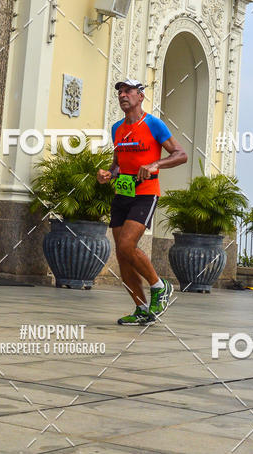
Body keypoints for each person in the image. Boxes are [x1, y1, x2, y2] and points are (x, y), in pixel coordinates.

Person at [97, 78, 187, 326]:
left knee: (127, 244)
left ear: (140, 96)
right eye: (120, 92)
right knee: (123, 255)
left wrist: (155, 164)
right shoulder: (117, 128)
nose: (123, 95)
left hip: (146, 193)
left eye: (128, 91)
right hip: (123, 193)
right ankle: (141, 308)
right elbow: (118, 164)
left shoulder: (154, 125)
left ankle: (160, 286)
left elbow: (181, 154)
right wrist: (108, 173)